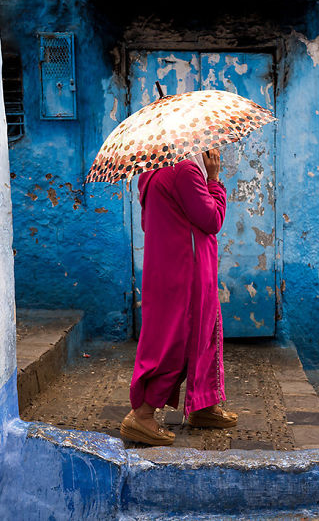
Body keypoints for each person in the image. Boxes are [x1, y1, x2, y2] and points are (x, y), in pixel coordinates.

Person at [120, 148, 238, 445]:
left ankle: (203, 404)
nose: (214, 149)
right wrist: (214, 180)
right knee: (177, 341)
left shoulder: (151, 171)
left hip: (170, 268)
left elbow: (152, 223)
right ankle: (142, 416)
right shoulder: (186, 171)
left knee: (201, 333)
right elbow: (212, 220)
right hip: (188, 270)